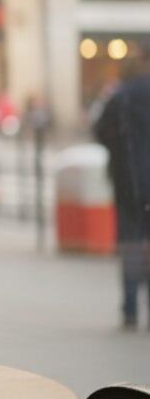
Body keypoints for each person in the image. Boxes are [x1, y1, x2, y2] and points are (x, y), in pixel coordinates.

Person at [93, 48, 150, 331]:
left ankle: (129, 308)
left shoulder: (121, 96)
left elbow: (100, 131)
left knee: (130, 242)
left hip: (129, 179)